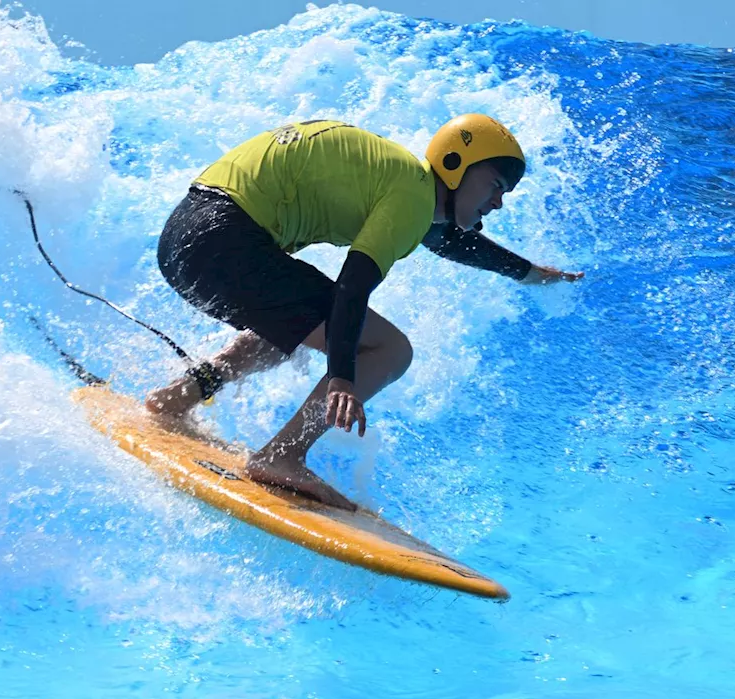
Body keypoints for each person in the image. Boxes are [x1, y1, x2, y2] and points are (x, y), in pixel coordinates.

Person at [146, 115, 583, 510]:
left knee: (295, 326)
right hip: (225, 242)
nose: (498, 204)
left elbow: (446, 240)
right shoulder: (410, 195)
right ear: (454, 165)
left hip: (188, 240)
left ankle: (179, 396)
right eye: (495, 186)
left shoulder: (402, 185)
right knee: (390, 350)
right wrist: (342, 377)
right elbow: (353, 287)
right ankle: (282, 457)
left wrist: (527, 272)